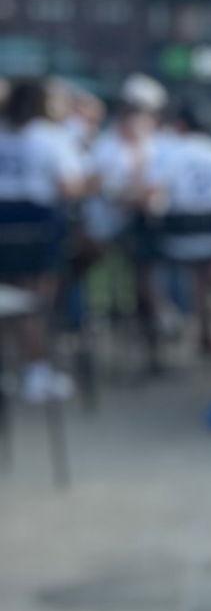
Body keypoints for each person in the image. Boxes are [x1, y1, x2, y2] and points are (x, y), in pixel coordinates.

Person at [0, 76, 87, 402]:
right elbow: (69, 187)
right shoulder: (50, 137)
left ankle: (14, 368)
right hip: (38, 229)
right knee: (34, 301)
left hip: (5, 227)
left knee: (9, 300)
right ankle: (35, 370)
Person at [148, 102, 211, 360]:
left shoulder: (169, 151)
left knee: (148, 266)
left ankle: (169, 322)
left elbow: (156, 197)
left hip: (179, 238)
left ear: (181, 125)